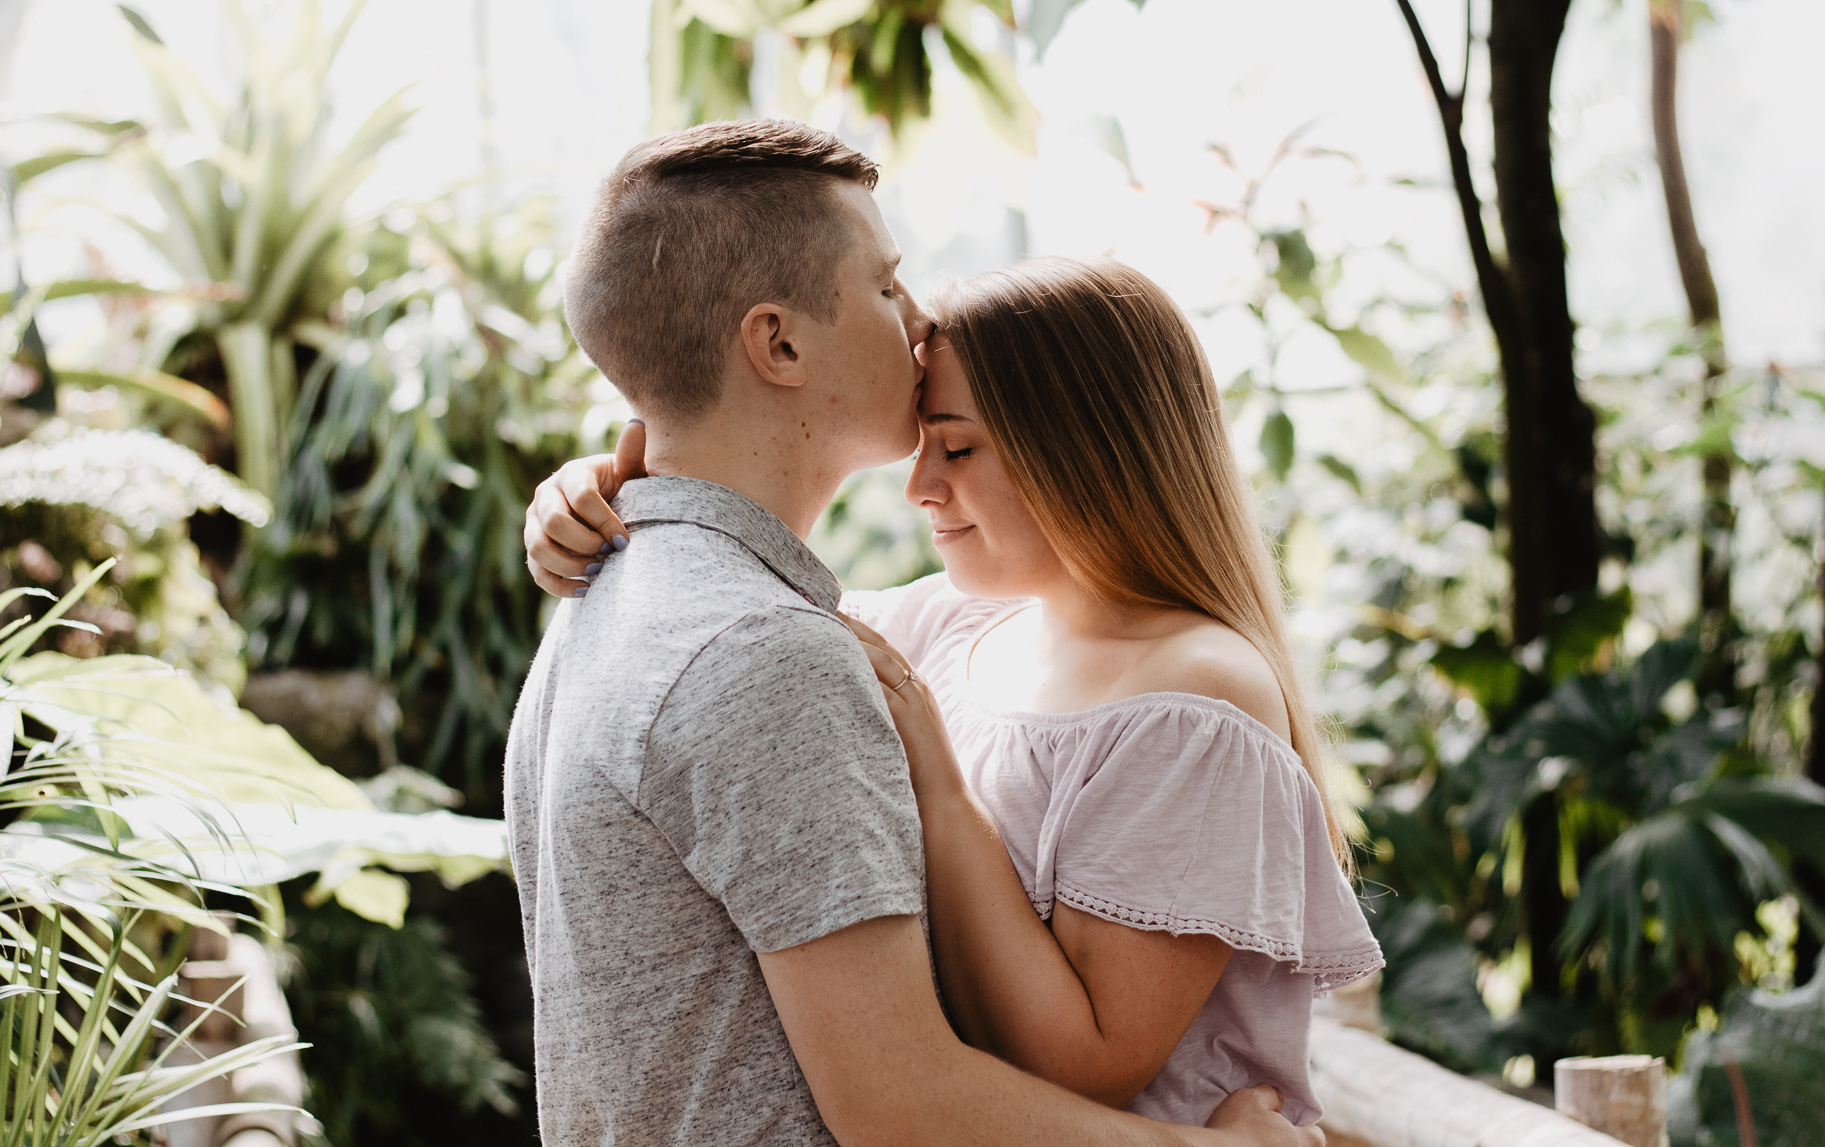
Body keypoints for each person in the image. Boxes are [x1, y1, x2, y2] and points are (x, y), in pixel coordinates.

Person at [506, 117, 1316, 1147]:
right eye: (886, 284)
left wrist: (626, 488)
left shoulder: (615, 593)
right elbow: (903, 1103)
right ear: (780, 342)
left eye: (962, 448)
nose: (919, 316)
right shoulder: (764, 652)